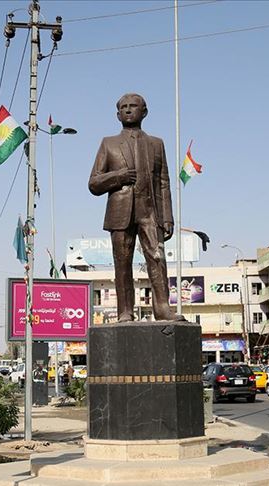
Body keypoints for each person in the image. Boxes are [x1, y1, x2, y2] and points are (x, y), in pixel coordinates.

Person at [88, 93, 184, 322]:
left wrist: (168, 217)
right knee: (122, 263)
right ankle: (125, 311)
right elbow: (93, 183)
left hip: (150, 211)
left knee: (157, 258)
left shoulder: (156, 144)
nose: (128, 110)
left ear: (145, 112)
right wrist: (119, 176)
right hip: (120, 212)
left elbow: (164, 182)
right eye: (124, 107)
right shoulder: (108, 143)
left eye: (134, 106)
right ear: (118, 114)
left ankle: (162, 308)